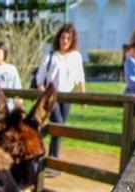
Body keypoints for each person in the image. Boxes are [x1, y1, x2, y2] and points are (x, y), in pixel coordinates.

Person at [36, 23, 86, 160]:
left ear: (72, 40)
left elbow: (80, 77)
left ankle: (51, 157)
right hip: (52, 96)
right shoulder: (50, 55)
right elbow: (40, 77)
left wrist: (83, 96)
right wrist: (43, 94)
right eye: (63, 37)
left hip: (67, 96)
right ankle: (54, 159)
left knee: (59, 128)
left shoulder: (76, 56)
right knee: (57, 123)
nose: (64, 41)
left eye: (68, 38)